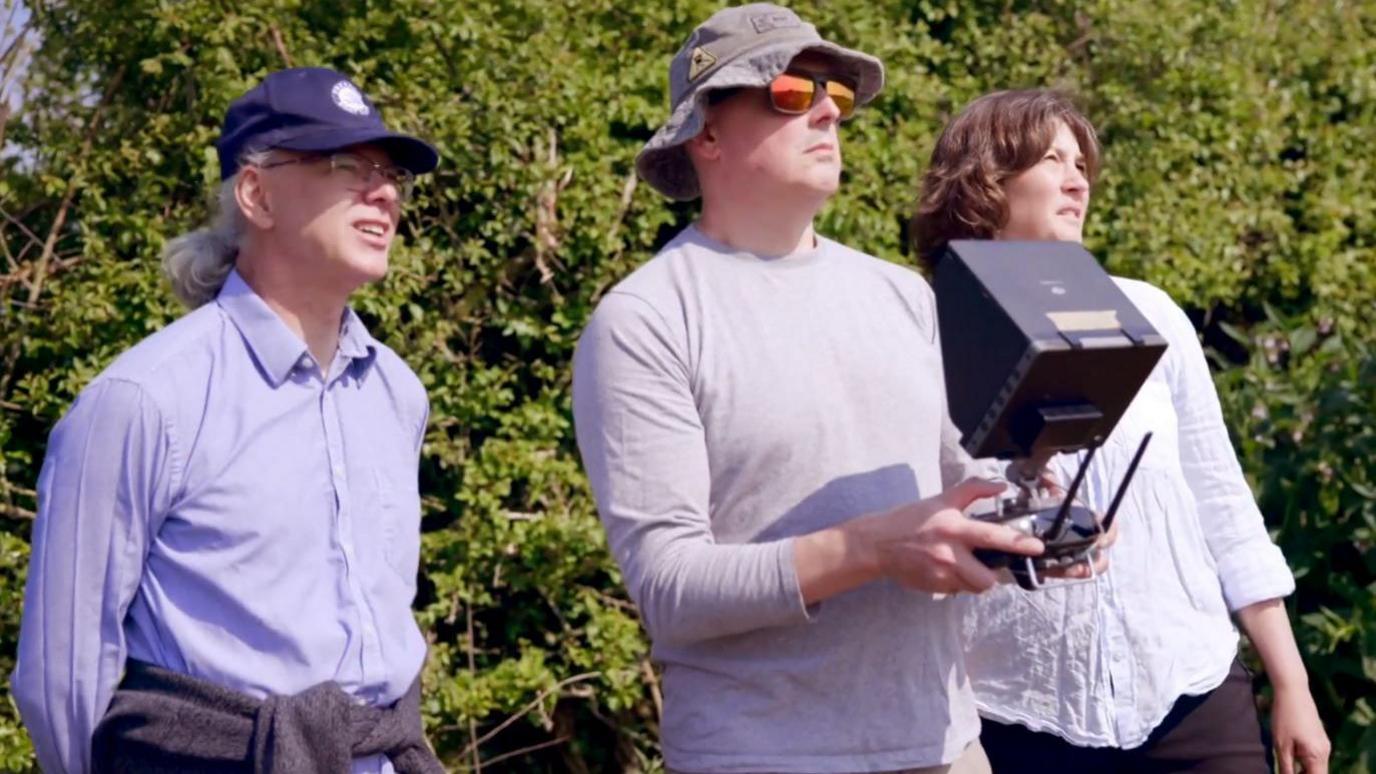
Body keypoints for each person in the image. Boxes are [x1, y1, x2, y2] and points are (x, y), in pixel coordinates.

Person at [572, 6, 1059, 773]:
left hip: (945, 742)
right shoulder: (646, 319)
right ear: (706, 134)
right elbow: (668, 586)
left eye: (835, 94)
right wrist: (873, 548)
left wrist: (1026, 520)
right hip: (763, 755)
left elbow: (953, 481)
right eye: (792, 92)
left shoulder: (903, 296)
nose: (829, 108)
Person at [11, 67, 446, 773]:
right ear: (256, 194)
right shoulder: (143, 401)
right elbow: (62, 679)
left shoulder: (398, 393)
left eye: (390, 171)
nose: (386, 191)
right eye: (347, 165)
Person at [911, 88, 1331, 774]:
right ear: (986, 177)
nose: (1078, 179)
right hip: (1016, 711)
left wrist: (1293, 684)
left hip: (1189, 692)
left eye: (1082, 163)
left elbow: (1220, 501)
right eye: (1052, 159)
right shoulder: (921, 332)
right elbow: (909, 536)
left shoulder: (1149, 312)